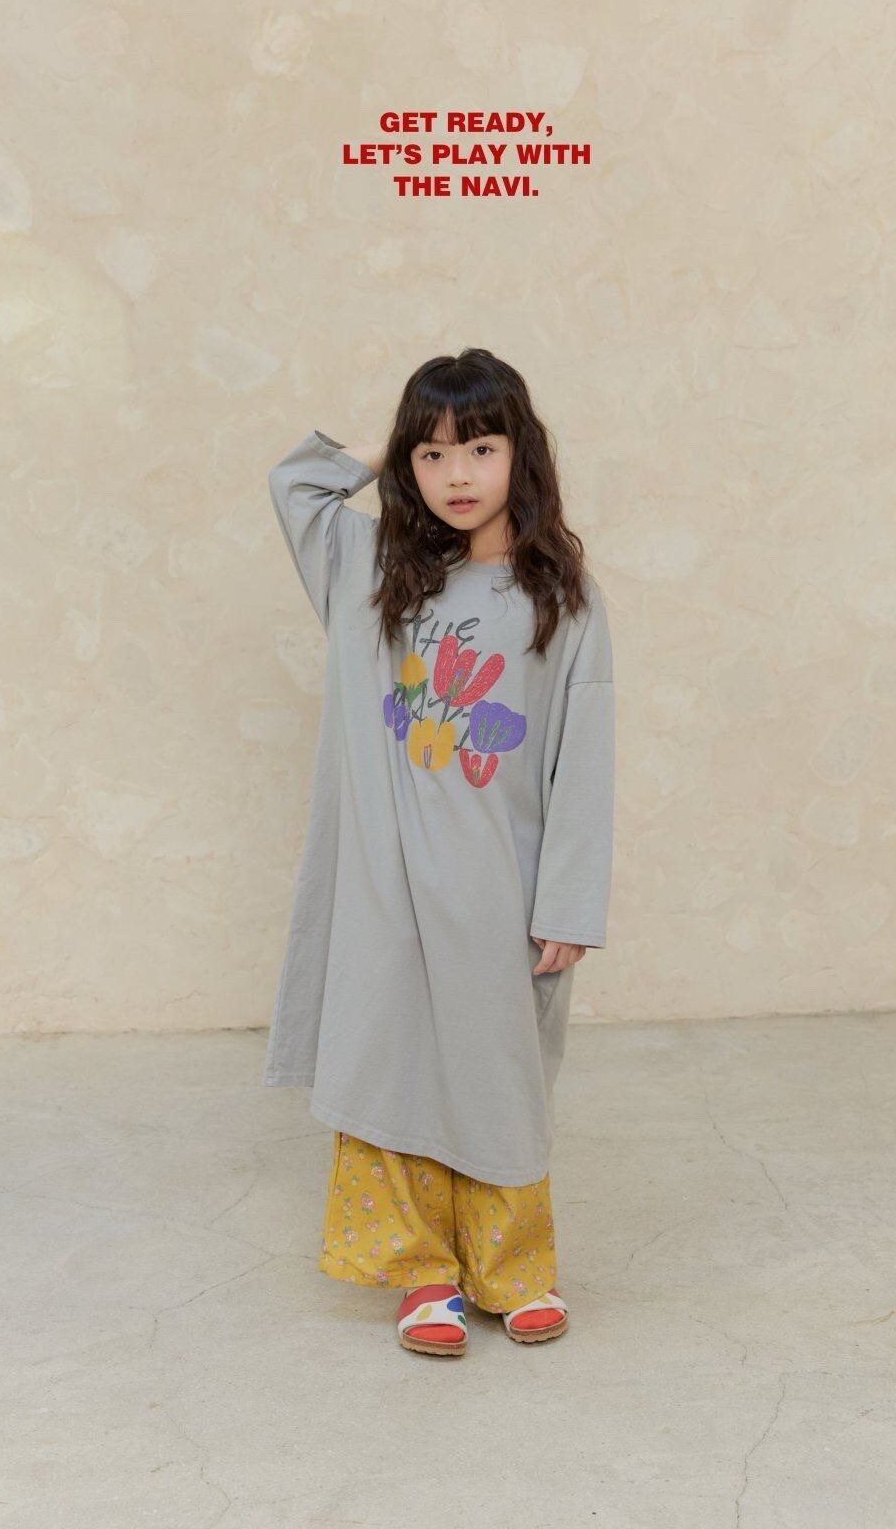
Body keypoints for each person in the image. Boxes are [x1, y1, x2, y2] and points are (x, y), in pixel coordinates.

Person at [263, 347, 616, 1356]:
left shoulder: (562, 600)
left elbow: (583, 761)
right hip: (382, 886)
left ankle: (512, 1268)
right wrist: (389, 444)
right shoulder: (374, 573)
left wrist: (568, 902)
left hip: (495, 890)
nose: (457, 475)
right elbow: (295, 485)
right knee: (390, 1067)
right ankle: (421, 1272)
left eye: (482, 449)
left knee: (497, 1073)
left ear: (522, 455)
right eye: (433, 455)